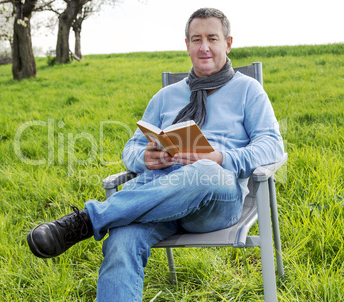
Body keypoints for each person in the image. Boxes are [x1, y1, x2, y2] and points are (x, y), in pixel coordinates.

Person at [27, 7, 284, 301]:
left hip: (215, 200)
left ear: (228, 43)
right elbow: (132, 148)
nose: (204, 47)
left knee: (204, 171)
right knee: (121, 242)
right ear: (186, 44)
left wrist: (220, 158)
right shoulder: (166, 96)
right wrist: (146, 159)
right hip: (159, 196)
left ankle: (88, 220)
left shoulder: (248, 91)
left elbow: (272, 145)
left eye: (212, 38)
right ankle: (96, 223)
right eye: (195, 39)